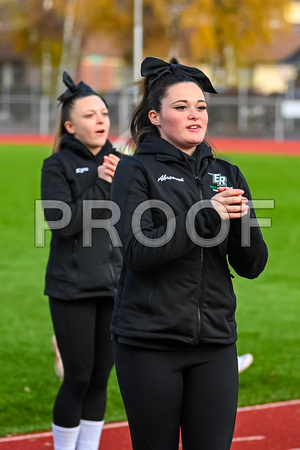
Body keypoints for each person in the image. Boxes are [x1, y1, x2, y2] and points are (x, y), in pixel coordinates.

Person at [110, 57, 268, 450]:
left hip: (215, 344)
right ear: (156, 117)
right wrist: (204, 215)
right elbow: (137, 250)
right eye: (181, 107)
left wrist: (242, 221)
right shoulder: (134, 172)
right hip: (149, 345)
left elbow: (252, 266)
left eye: (200, 107)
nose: (194, 115)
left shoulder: (227, 173)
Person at [41, 72, 122, 450]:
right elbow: (63, 223)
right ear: (71, 126)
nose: (101, 120)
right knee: (77, 376)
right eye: (90, 115)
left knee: (100, 377)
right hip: (71, 288)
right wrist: (104, 184)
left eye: (104, 112)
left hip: (114, 288)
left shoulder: (122, 163)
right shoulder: (56, 166)